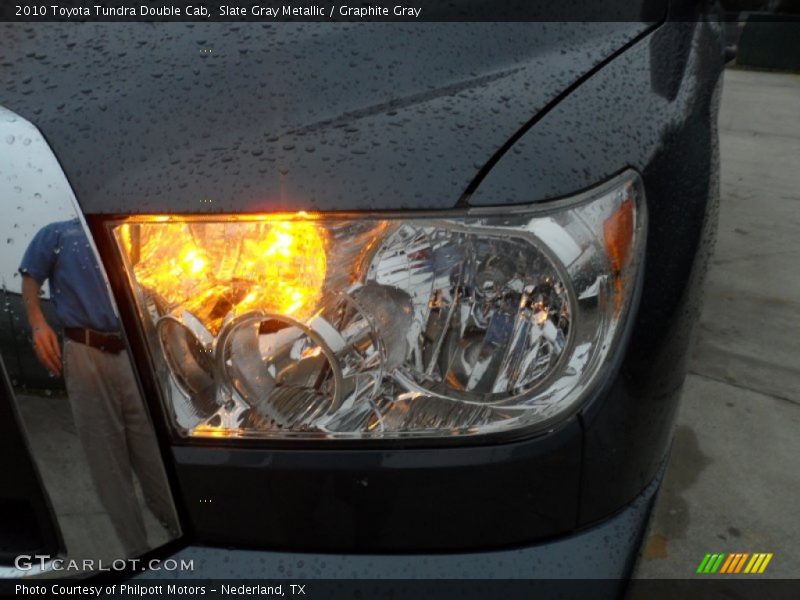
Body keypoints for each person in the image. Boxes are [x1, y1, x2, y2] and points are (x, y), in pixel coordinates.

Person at [19, 218, 178, 557]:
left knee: (154, 454)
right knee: (108, 464)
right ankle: (137, 554)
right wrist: (38, 324)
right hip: (85, 352)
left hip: (133, 355)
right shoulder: (58, 232)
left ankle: (178, 533)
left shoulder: (132, 231)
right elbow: (31, 275)